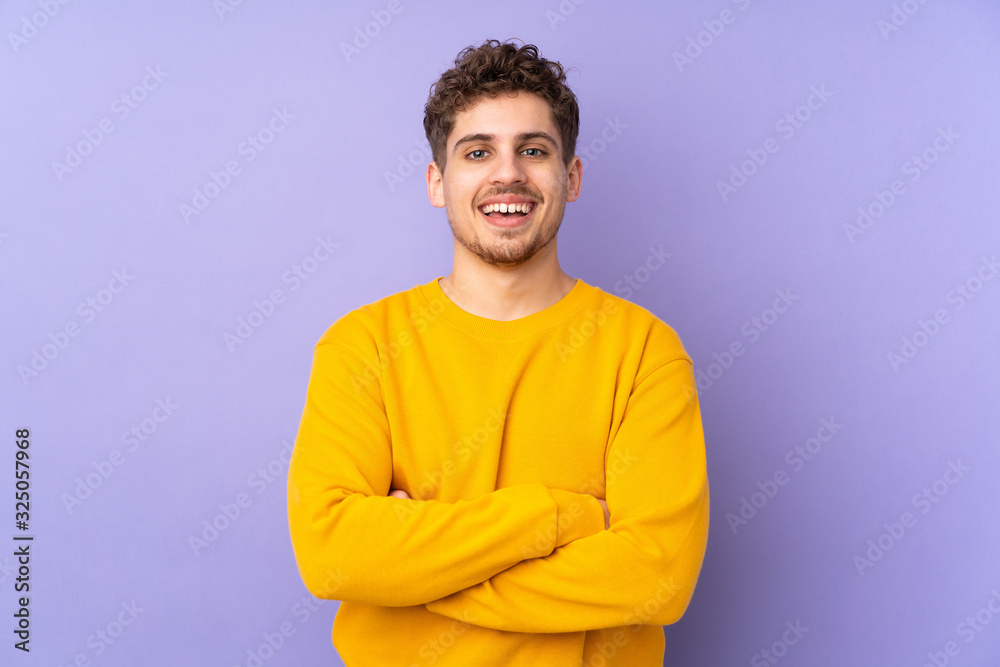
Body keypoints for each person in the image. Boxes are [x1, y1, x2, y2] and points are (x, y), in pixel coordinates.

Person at [286, 38, 710, 666]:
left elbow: (658, 577)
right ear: (438, 182)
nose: (506, 173)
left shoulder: (644, 351)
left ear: (571, 177)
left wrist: (414, 571)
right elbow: (333, 555)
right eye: (477, 151)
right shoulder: (363, 346)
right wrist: (560, 518)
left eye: (533, 150)